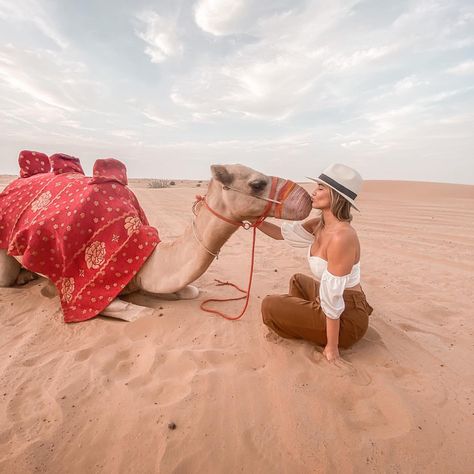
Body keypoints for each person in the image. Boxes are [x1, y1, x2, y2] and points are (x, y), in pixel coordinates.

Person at [259, 163, 373, 361]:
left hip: (348, 318)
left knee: (269, 305)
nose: (314, 192)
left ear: (335, 197)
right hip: (333, 303)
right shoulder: (320, 225)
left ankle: (318, 333)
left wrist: (332, 347)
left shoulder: (342, 237)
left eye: (320, 188)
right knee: (297, 280)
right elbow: (281, 234)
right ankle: (305, 322)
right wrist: (254, 221)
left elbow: (333, 298)